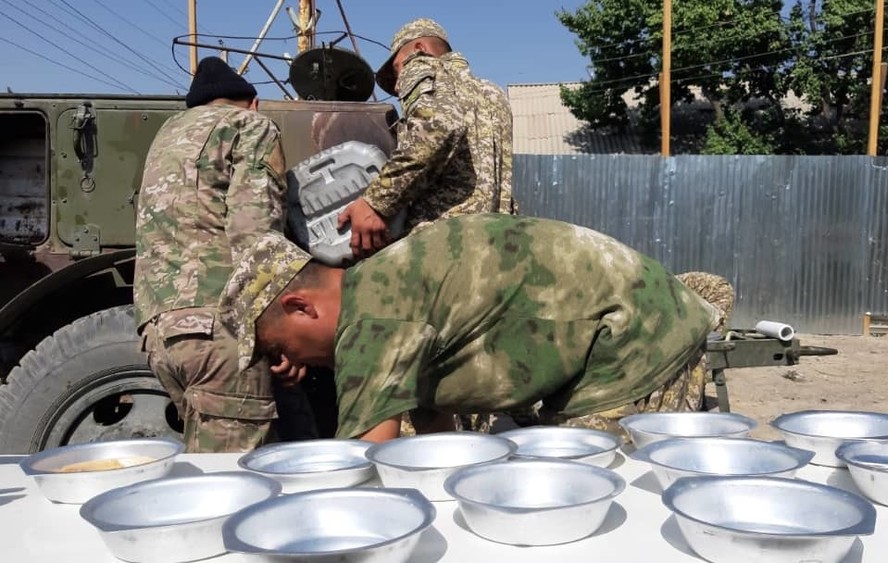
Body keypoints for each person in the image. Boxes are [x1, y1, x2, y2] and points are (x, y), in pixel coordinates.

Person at [220, 214, 721, 443]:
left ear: (300, 306)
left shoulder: (372, 320)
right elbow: (433, 434)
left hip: (640, 335)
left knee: (593, 497)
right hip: (630, 317)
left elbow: (367, 471)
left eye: (279, 347)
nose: (291, 364)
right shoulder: (381, 287)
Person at [133, 56, 306, 452]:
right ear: (254, 103)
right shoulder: (250, 125)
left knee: (212, 465)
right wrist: (282, 333)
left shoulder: (168, 134)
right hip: (221, 332)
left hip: (160, 334)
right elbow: (253, 233)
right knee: (230, 479)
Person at [337, 18, 515, 258]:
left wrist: (375, 201)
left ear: (419, 49)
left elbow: (438, 126)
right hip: (491, 247)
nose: (397, 87)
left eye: (397, 69)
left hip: (440, 247)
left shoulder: (422, 66)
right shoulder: (491, 92)